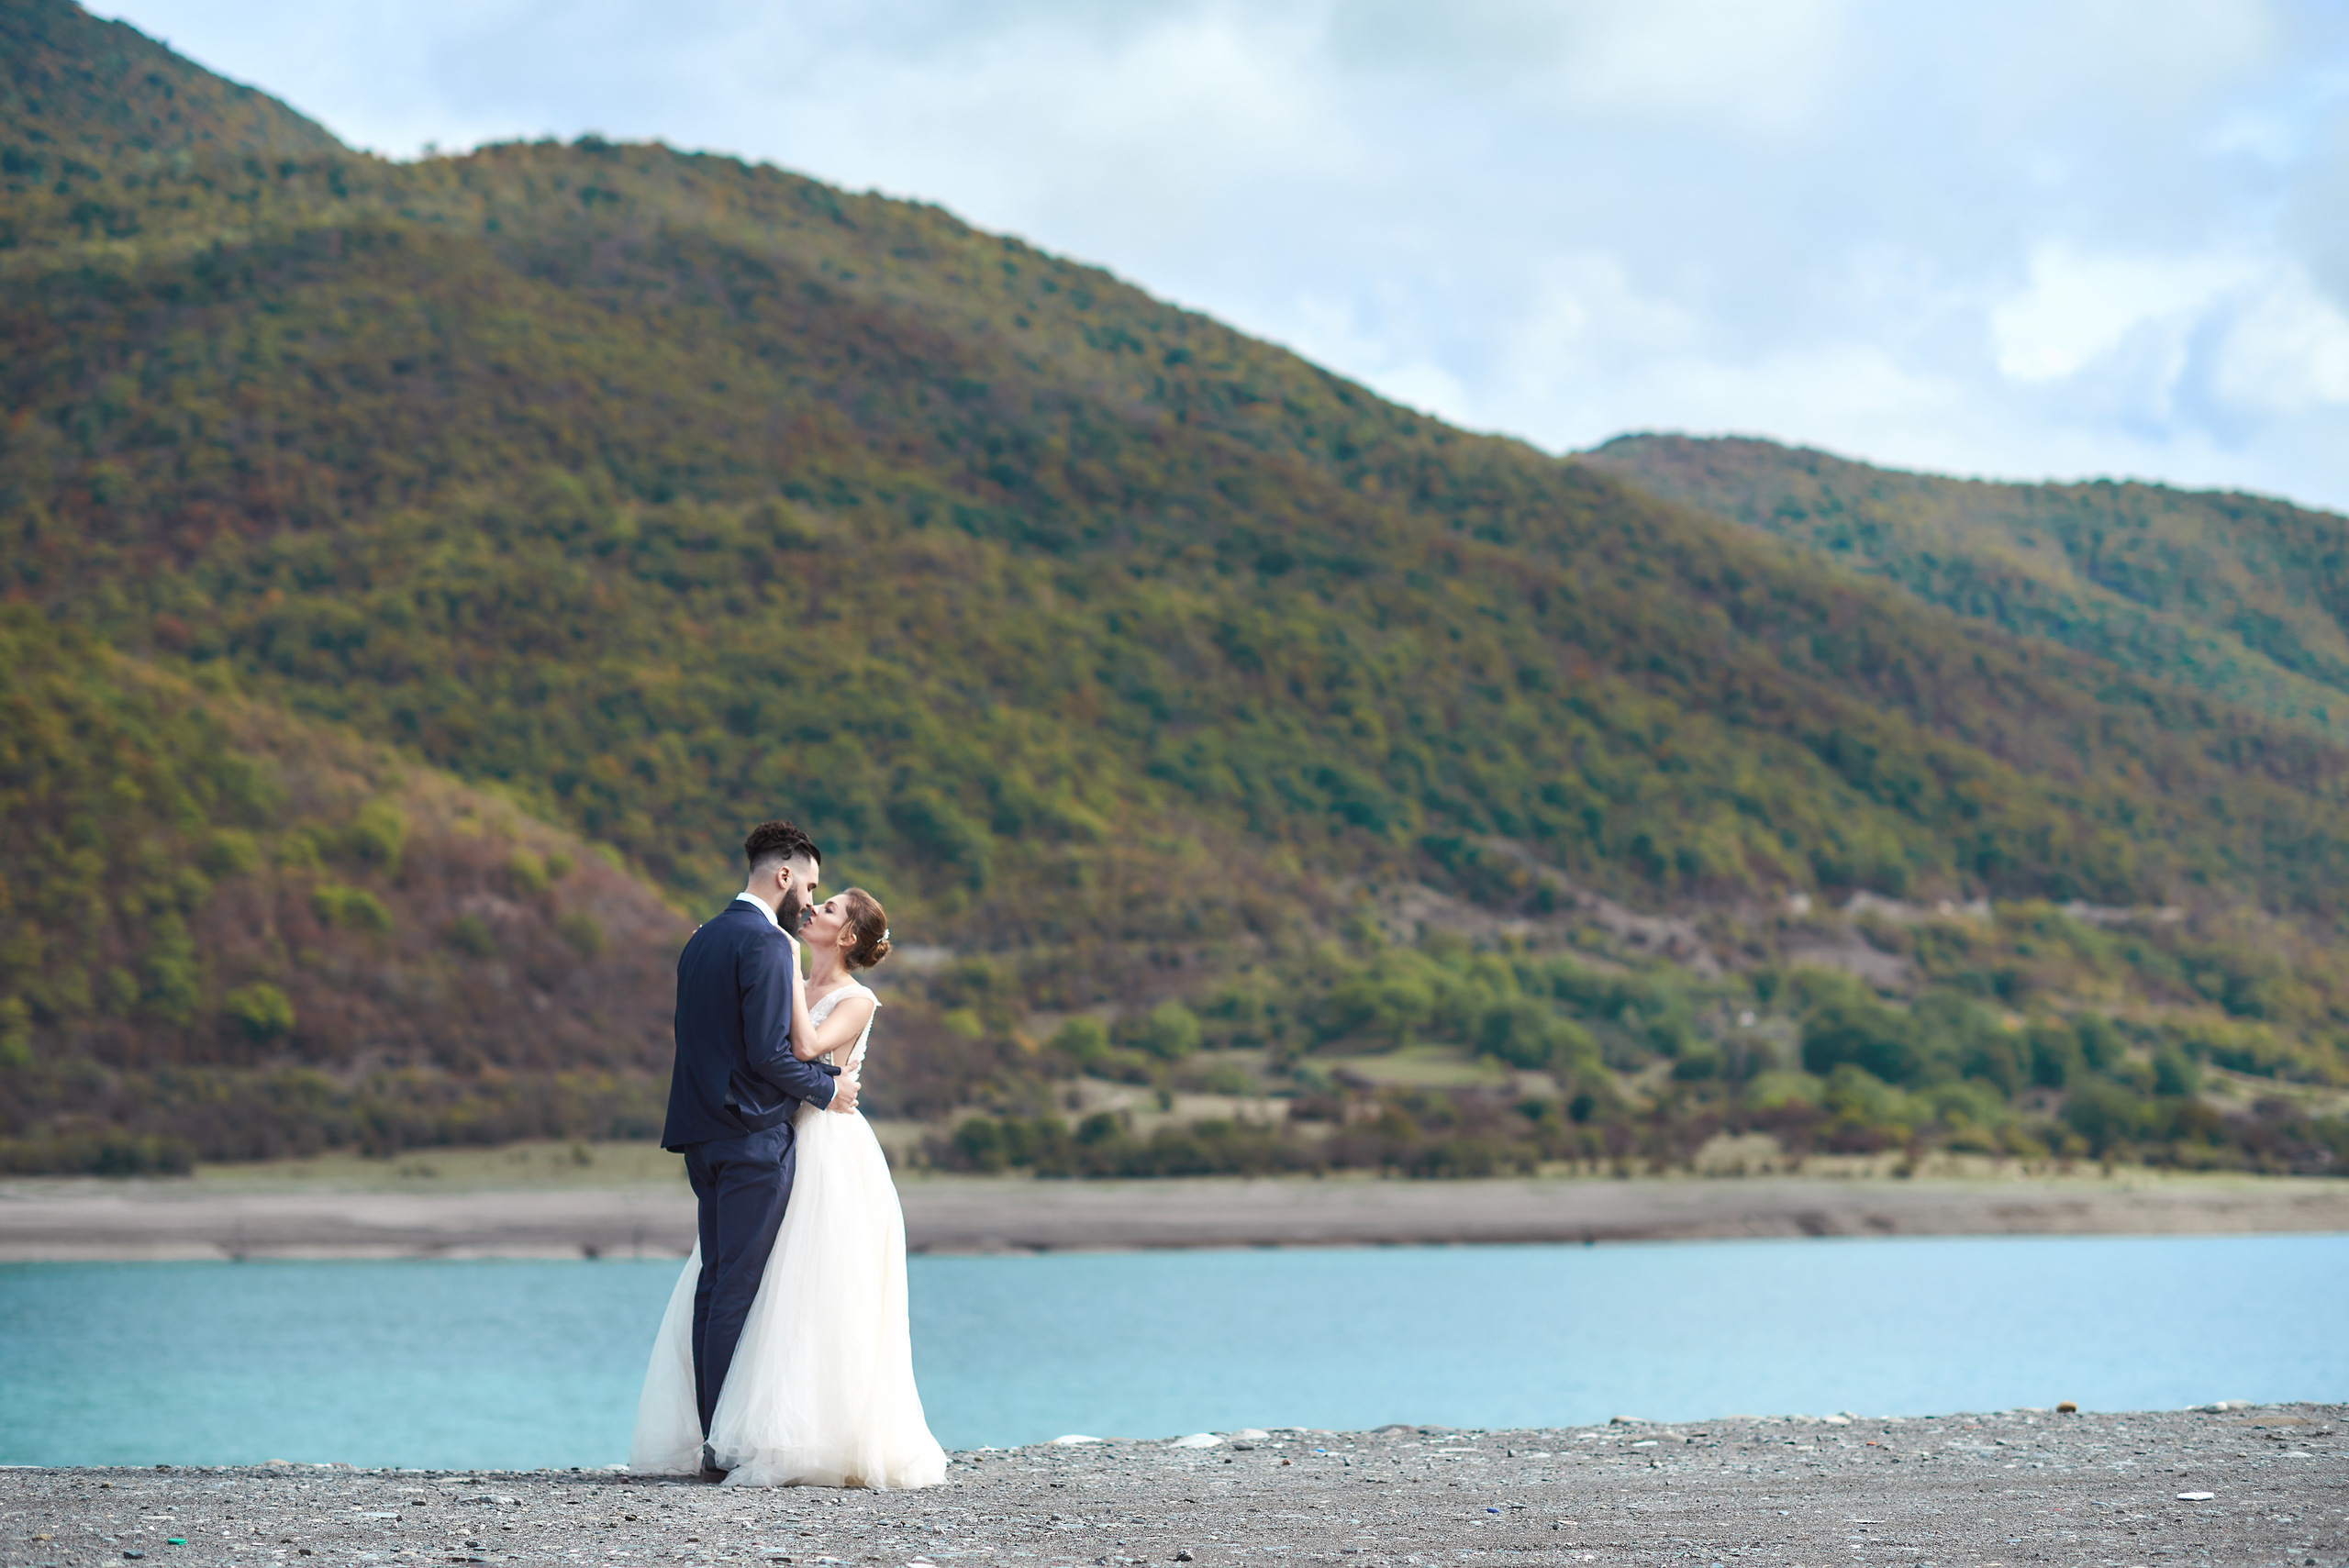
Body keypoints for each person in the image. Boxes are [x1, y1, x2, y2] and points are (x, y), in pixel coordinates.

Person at [631, 869, 946, 1491]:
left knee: (813, 1288)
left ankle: (810, 1430)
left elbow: (801, 1047)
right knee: (751, 1282)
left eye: (827, 906)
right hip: (778, 1136)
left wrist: (779, 960)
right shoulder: (788, 970)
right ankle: (733, 1426)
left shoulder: (855, 998)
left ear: (847, 932)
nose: (813, 909)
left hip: (829, 1148)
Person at [635, 820, 861, 1473]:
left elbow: (700, 1042)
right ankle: (723, 1446)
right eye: (810, 883)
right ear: (782, 874)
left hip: (700, 1134)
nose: (810, 900)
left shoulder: (700, 940)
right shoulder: (766, 944)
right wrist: (828, 1087)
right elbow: (767, 1053)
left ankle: (714, 1434)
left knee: (716, 1283)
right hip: (751, 1135)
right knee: (737, 1286)